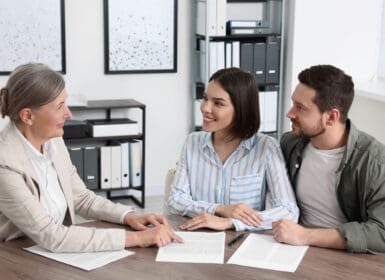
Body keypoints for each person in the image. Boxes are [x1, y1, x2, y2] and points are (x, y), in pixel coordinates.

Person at [0, 63, 182, 252]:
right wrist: (138, 238)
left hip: (48, 253)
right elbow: (51, 235)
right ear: (28, 116)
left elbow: (82, 198)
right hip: (16, 260)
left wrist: (128, 216)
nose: (68, 113)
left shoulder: (53, 141)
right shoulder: (4, 163)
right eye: (59, 106)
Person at [167, 67, 299, 231]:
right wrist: (219, 209)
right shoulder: (192, 142)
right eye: (205, 98)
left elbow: (288, 211)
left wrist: (232, 222)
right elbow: (175, 201)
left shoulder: (266, 147)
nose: (205, 108)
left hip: (242, 241)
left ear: (241, 109)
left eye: (218, 103)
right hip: (199, 239)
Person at [272, 64, 385, 254]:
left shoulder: (374, 161)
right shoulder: (290, 143)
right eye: (293, 104)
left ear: (331, 117)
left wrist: (305, 236)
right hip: (291, 249)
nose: (290, 113)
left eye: (300, 108)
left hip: (343, 257)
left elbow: (382, 232)